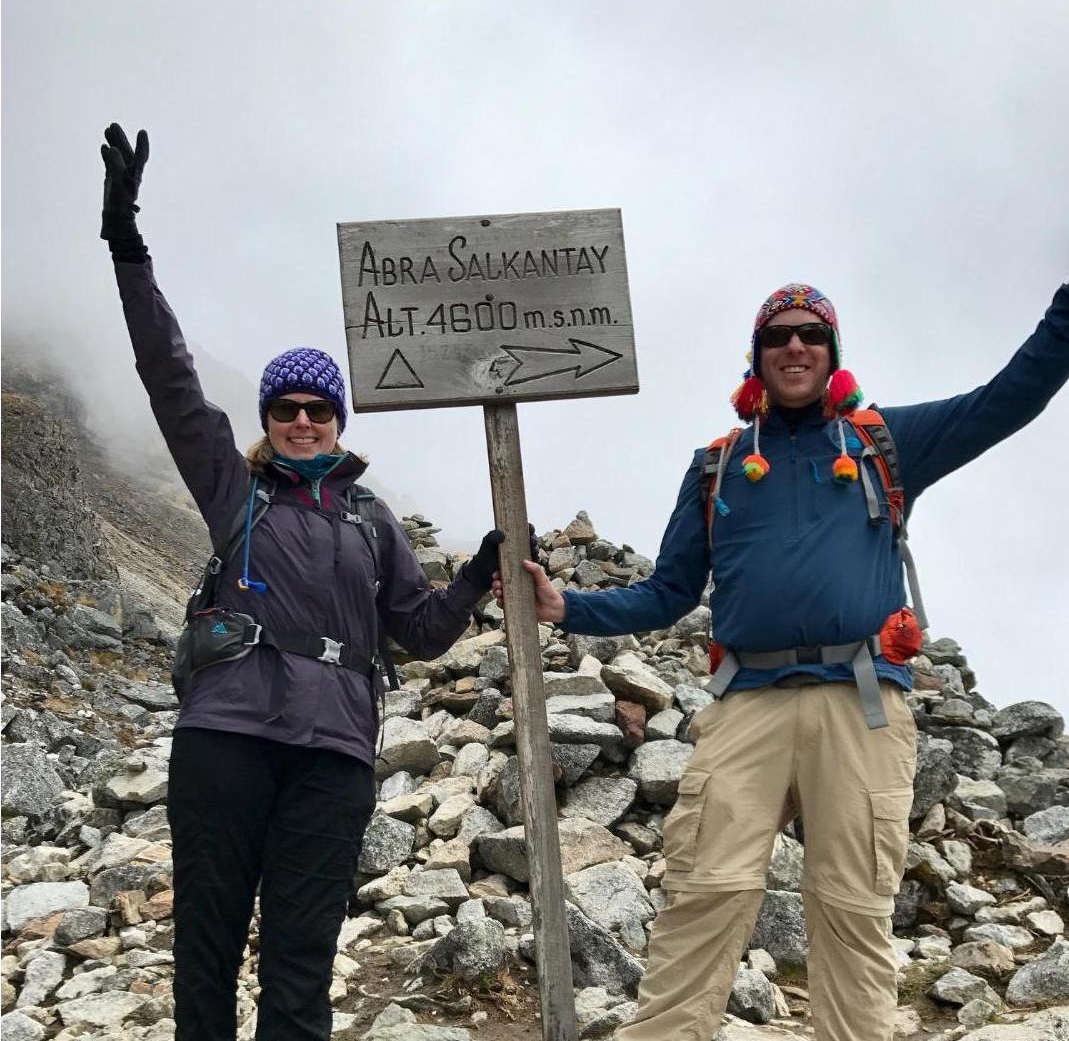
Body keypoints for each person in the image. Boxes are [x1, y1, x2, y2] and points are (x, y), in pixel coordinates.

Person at [495, 280, 1069, 1040]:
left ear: (832, 352)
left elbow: (1009, 396)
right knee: (704, 894)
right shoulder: (716, 466)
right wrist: (569, 608)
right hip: (747, 703)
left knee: (853, 909)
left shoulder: (882, 443)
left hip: (860, 701)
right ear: (756, 357)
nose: (793, 346)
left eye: (810, 334)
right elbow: (668, 591)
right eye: (777, 336)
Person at [99, 123, 508, 1041]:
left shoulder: (371, 519)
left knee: (301, 959)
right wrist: (126, 241)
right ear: (267, 418)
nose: (300, 420)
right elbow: (167, 374)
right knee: (205, 944)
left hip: (333, 754)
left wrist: (480, 573)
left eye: (317, 408)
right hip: (226, 736)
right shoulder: (231, 486)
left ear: (337, 418)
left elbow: (420, 629)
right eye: (284, 408)